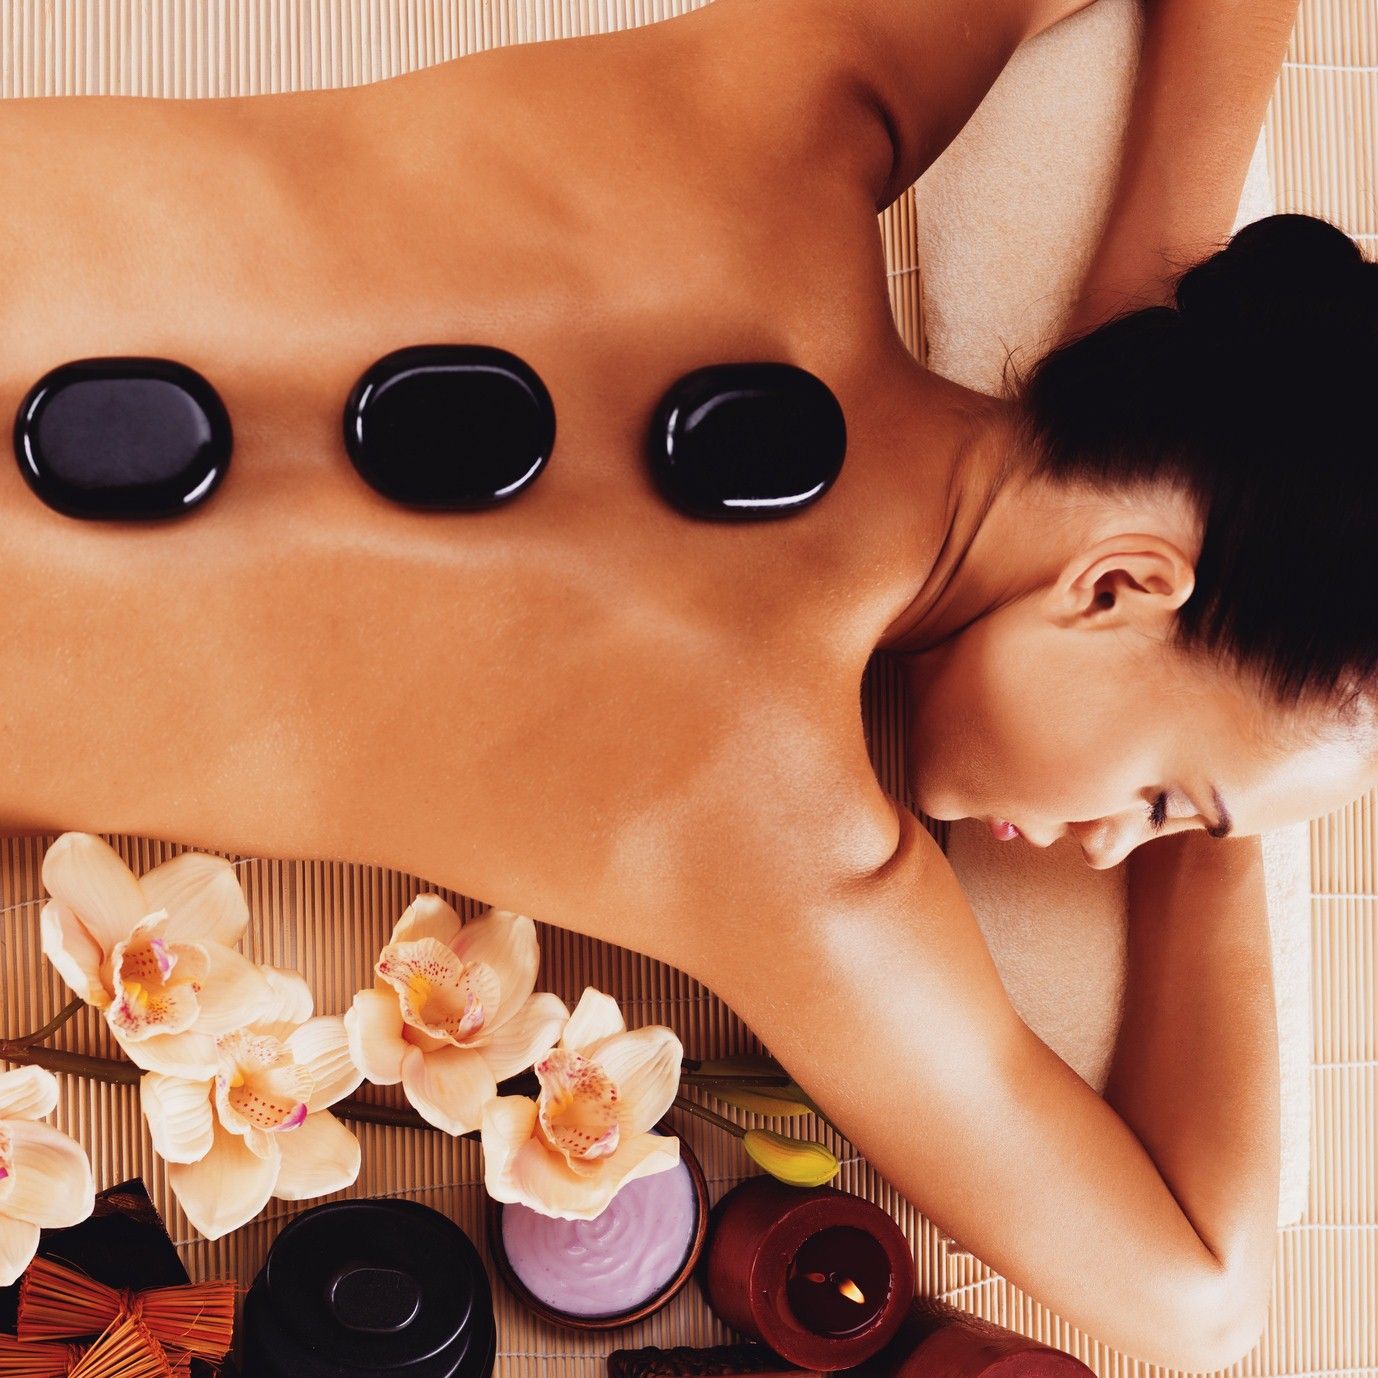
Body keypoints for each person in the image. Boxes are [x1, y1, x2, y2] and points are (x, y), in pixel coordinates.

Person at [0, 0, 1370, 1364]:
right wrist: (1234, 841)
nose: (1109, 848)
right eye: (1165, 798)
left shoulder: (782, 122)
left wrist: (1148, 304)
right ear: (1121, 584)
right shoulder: (773, 833)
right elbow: (1199, 1292)